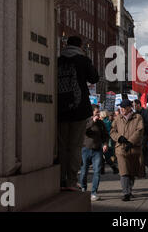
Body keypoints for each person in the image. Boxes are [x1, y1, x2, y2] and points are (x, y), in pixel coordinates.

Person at [57, 36, 99, 191]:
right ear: (80, 45)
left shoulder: (59, 60)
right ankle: (71, 180)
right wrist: (86, 58)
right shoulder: (82, 60)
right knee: (75, 146)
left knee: (62, 146)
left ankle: (60, 178)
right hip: (79, 108)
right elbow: (94, 78)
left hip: (60, 109)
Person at [110, 99, 144, 201]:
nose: (122, 109)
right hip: (120, 148)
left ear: (130, 108)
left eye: (124, 107)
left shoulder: (137, 117)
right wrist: (119, 138)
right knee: (124, 171)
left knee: (132, 171)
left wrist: (130, 142)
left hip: (134, 148)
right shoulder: (117, 118)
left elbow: (140, 130)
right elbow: (112, 131)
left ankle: (129, 189)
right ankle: (126, 193)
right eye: (121, 107)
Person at [79, 105, 109, 201]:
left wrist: (105, 144)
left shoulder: (101, 123)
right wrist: (92, 121)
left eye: (98, 112)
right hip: (85, 149)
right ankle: (83, 188)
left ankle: (94, 192)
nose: (98, 113)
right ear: (92, 112)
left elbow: (105, 135)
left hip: (97, 150)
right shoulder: (86, 121)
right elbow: (84, 131)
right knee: (84, 172)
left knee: (97, 172)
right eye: (96, 112)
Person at [134, 99, 148, 178]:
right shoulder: (135, 113)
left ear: (138, 104)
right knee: (139, 153)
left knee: (143, 151)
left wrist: (141, 127)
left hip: (144, 134)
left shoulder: (145, 112)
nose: (134, 106)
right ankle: (141, 172)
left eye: (135, 105)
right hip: (137, 135)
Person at [100, 111, 119, 175]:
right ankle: (103, 170)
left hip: (105, 140)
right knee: (103, 155)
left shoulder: (103, 122)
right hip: (107, 140)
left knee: (105, 155)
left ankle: (114, 168)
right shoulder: (108, 122)